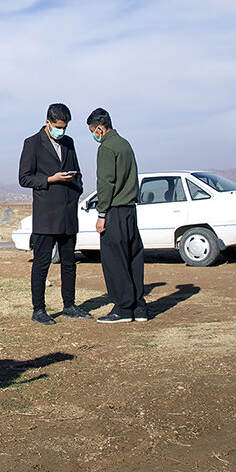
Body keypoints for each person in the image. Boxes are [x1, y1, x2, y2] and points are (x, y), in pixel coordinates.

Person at [18, 104, 91, 324]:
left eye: (65, 127)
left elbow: (77, 171)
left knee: (69, 263)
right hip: (46, 215)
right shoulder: (32, 143)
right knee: (42, 263)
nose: (62, 131)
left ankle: (69, 305)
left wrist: (76, 187)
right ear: (48, 121)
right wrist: (50, 179)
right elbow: (24, 178)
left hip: (69, 213)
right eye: (59, 127)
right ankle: (38, 309)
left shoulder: (68, 143)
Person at [88, 108, 147, 323]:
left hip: (114, 210)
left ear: (100, 128)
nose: (94, 135)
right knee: (133, 257)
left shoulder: (107, 147)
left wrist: (101, 213)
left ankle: (122, 308)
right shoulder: (125, 144)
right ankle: (139, 307)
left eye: (93, 131)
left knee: (114, 260)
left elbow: (106, 183)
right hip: (131, 209)